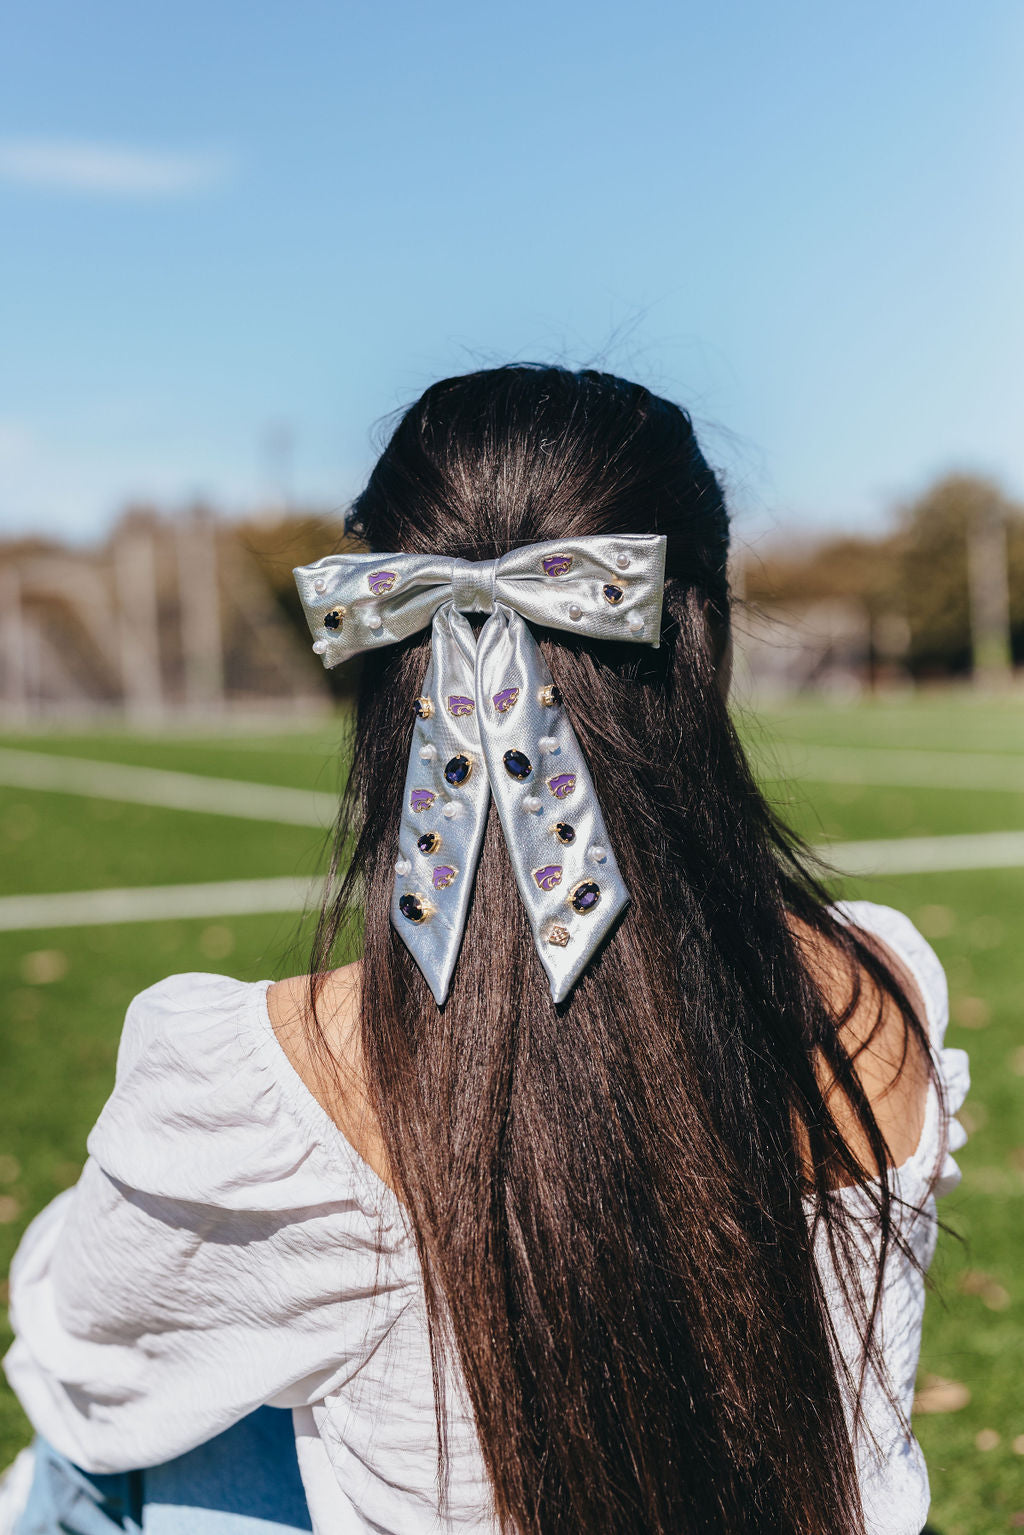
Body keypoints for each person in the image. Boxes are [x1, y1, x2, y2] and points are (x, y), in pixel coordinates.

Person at [4, 366, 968, 1535]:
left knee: (84, 1463)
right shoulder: (878, 985)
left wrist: (67, 1237)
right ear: (703, 637)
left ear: (381, 650)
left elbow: (92, 1374)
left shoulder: (271, 1081)